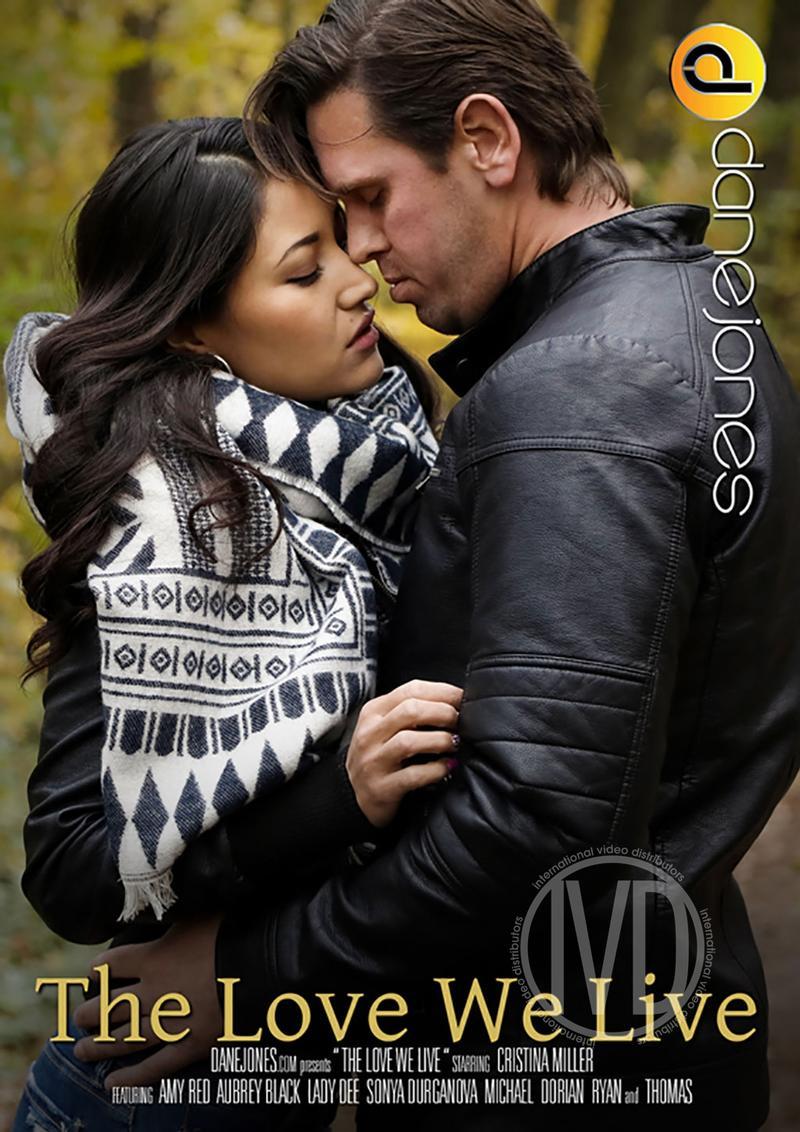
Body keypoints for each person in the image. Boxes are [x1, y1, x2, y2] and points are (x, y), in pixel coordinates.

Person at [17, 2, 800, 1130]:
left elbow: (536, 815)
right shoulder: (680, 324)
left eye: (371, 202)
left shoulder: (569, 391)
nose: (366, 266)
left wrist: (244, 968)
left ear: (486, 139)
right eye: (320, 248)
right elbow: (78, 854)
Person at [5, 115, 464, 1131]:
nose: (356, 281)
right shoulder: (170, 525)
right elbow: (70, 867)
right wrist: (336, 799)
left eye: (339, 243)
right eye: (303, 271)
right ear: (191, 330)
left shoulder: (384, 467)